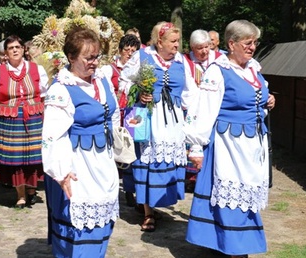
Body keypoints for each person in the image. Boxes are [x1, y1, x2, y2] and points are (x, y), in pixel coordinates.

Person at [184, 20, 276, 257]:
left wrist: (267, 103)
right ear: (231, 44)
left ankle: (234, 247)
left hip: (251, 145)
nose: (252, 47)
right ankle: (235, 250)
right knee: (230, 197)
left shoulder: (253, 69)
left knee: (245, 196)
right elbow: (203, 110)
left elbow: (251, 103)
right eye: (248, 42)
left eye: (255, 42)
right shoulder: (218, 71)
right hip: (228, 145)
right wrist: (195, 146)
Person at [41, 26, 120, 257]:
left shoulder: (102, 80)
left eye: (97, 56)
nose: (94, 62)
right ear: (71, 57)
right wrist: (61, 171)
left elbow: (112, 114)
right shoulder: (61, 90)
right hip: (78, 166)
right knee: (79, 228)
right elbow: (52, 135)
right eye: (88, 58)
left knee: (101, 223)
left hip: (103, 163)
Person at [118, 21, 198, 232]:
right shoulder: (143, 57)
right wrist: (138, 92)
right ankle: (148, 212)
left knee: (167, 162)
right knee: (148, 163)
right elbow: (123, 81)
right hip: (149, 118)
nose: (176, 45)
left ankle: (162, 200)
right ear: (159, 42)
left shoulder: (183, 62)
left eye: (178, 41)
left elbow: (191, 93)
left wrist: (189, 117)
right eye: (172, 41)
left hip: (173, 121)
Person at [0, 35, 49, 209]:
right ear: (6, 52)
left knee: (34, 158)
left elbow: (44, 97)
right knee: (16, 160)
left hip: (34, 117)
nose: (14, 50)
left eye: (17, 47)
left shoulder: (37, 69)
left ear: (23, 49)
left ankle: (32, 189)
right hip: (9, 119)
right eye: (11, 48)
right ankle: (20, 195)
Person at [101, 33, 140, 207]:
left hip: (132, 115)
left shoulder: (140, 69)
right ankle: (111, 188)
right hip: (117, 115)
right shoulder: (109, 70)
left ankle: (130, 190)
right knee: (114, 151)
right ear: (120, 50)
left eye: (133, 50)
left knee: (131, 151)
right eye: (127, 49)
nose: (130, 53)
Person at [182, 29, 223, 191]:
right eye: (200, 48)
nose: (205, 51)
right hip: (194, 108)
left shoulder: (220, 60)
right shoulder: (186, 61)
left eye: (207, 47)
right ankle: (192, 178)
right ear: (192, 48)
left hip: (215, 111)